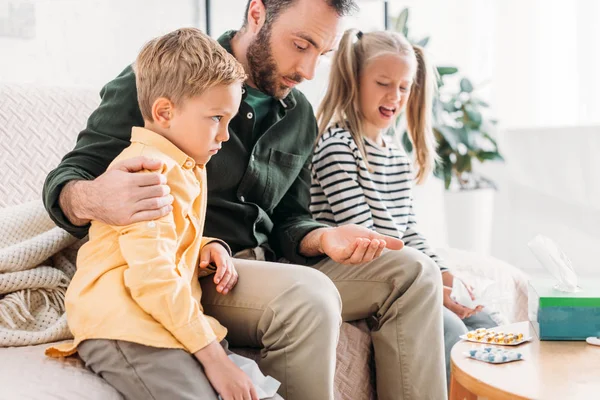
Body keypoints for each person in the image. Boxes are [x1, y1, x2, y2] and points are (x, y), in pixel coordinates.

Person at [43, 1, 447, 399]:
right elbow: (68, 179)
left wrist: (323, 238)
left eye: (321, 55)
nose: (308, 72)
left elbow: (291, 219)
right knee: (308, 296)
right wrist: (95, 197)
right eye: (301, 45)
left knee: (414, 272)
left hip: (270, 262)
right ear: (257, 14)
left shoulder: (299, 115)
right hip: (199, 272)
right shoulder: (167, 78)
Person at [45, 28, 276, 400]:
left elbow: (163, 238)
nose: (225, 137)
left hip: (157, 320)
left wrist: (204, 246)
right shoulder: (146, 173)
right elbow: (151, 277)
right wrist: (214, 358)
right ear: (164, 112)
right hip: (123, 325)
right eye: (217, 118)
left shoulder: (185, 167)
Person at [310, 28, 497, 385]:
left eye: (404, 86)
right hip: (354, 270)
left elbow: (409, 230)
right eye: (382, 82)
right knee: (449, 326)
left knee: (485, 320)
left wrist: (446, 276)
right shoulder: (337, 147)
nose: (394, 96)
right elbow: (366, 240)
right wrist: (434, 292)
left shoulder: (395, 154)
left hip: (399, 267)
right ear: (354, 80)